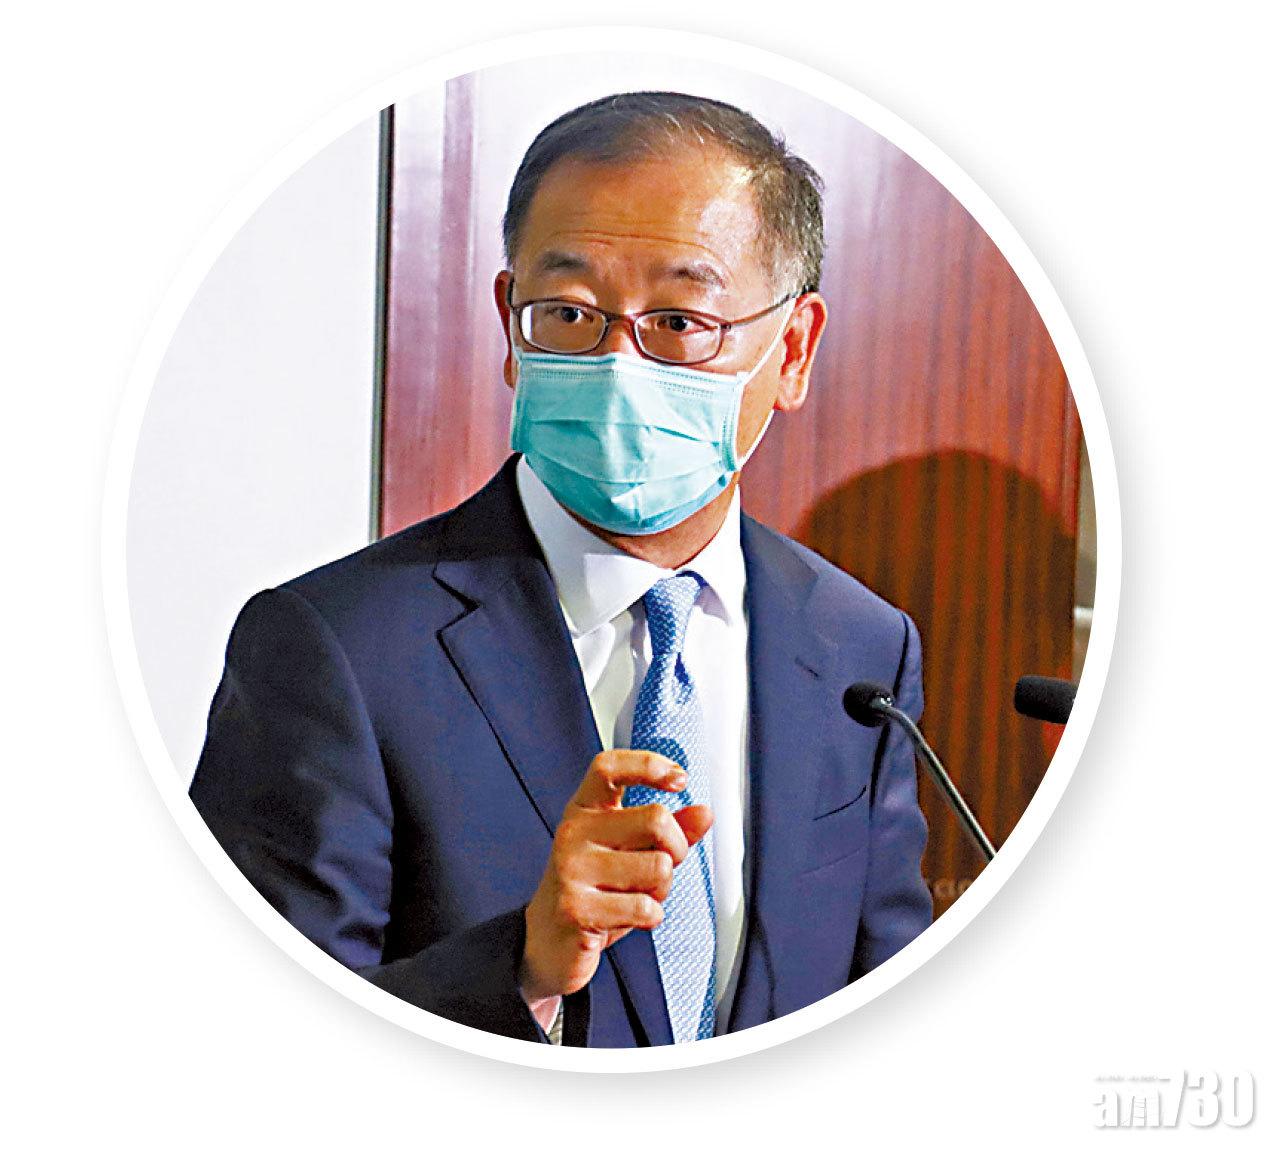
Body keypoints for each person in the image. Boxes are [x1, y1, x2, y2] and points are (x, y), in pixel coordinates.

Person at [190, 90, 932, 1048]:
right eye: (570, 313)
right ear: (511, 325)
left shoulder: (859, 648)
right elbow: (248, 1044)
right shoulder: (335, 648)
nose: (618, 362)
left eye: (680, 321)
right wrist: (525, 969)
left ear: (791, 349)